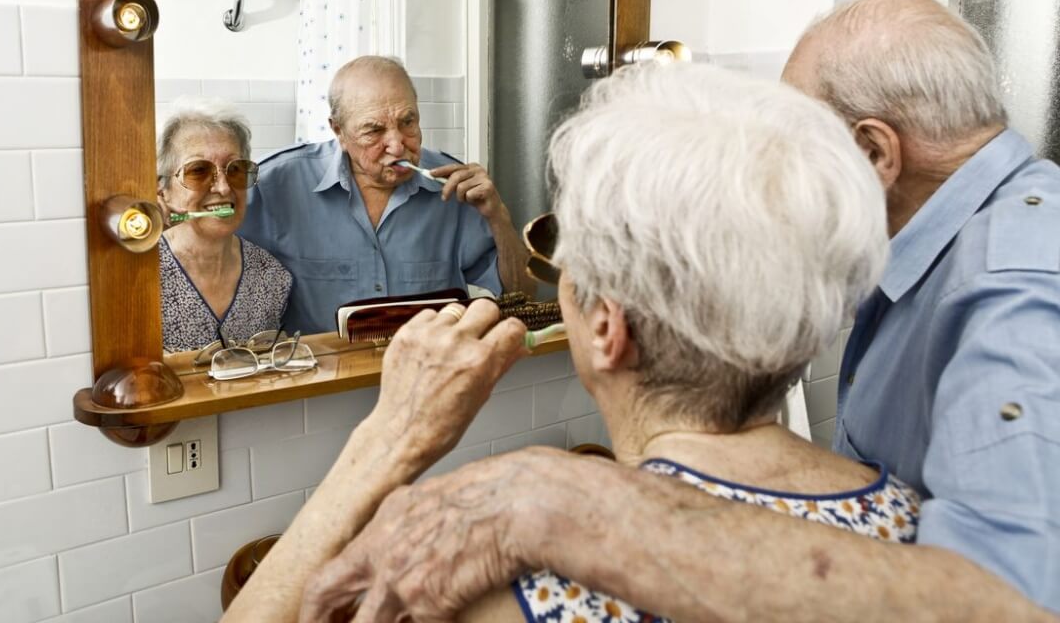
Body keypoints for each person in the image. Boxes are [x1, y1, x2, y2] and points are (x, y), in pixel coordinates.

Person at [298, 0, 1060, 621]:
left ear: (605, 323)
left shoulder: (1023, 285)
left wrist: (552, 502)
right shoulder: (900, 517)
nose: (793, 172)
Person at [221, 61, 937, 623]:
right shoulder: (925, 541)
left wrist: (389, 443)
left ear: (605, 326)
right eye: (375, 128)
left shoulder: (521, 594)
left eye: (566, 263)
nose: (396, 142)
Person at [238, 55, 531, 334]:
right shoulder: (275, 184)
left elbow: (522, 295)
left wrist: (499, 218)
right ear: (338, 131)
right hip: (322, 380)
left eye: (408, 122)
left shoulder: (454, 186)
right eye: (374, 130)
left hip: (427, 369)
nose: (397, 144)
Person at [156, 97, 292, 351]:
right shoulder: (140, 275)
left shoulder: (272, 277)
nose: (223, 187)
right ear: (162, 189)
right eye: (198, 171)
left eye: (236, 169)